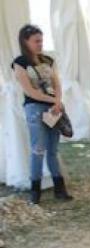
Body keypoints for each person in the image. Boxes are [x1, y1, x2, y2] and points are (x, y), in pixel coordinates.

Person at [12, 24, 72, 203]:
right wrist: (53, 101)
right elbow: (29, 91)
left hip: (53, 108)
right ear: (25, 41)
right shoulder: (20, 63)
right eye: (36, 41)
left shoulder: (48, 60)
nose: (40, 44)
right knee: (38, 149)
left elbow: (57, 84)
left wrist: (57, 101)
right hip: (35, 108)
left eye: (41, 40)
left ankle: (60, 189)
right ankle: (35, 191)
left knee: (53, 150)